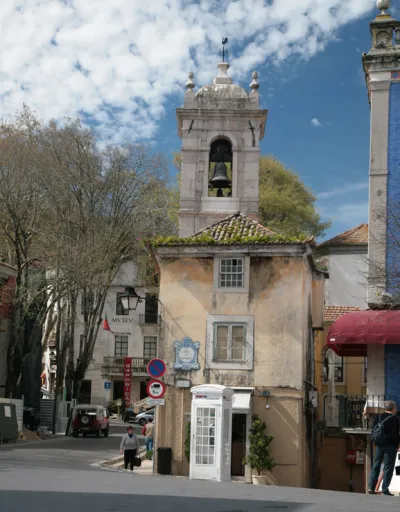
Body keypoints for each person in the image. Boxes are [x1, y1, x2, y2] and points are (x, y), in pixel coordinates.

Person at [368, 400, 400, 496]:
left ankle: (371, 487)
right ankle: (385, 488)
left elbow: (373, 429)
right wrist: (398, 443)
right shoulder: (394, 419)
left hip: (379, 445)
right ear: (393, 408)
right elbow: (395, 434)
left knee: (376, 465)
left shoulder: (378, 417)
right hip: (390, 446)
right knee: (388, 467)